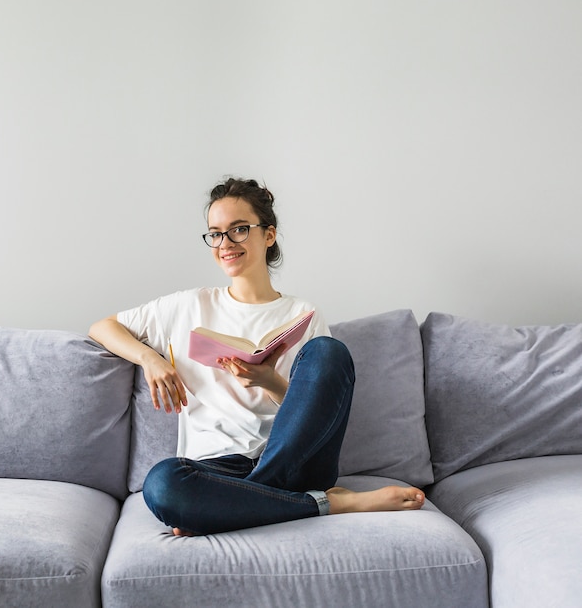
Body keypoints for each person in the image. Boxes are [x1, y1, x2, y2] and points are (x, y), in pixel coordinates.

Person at [89, 177, 425, 535]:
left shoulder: (302, 313)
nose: (225, 243)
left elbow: (319, 411)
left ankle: (239, 505)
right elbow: (103, 326)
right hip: (219, 469)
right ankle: (329, 502)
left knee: (330, 352)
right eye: (215, 233)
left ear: (268, 235)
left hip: (298, 462)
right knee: (163, 483)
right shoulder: (187, 306)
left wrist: (271, 382)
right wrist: (151, 359)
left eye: (238, 230)